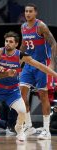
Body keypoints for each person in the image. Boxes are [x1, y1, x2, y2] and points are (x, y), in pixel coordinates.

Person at [19, 3, 57, 140]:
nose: (28, 13)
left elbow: (53, 43)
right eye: (26, 11)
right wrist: (18, 62)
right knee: (21, 93)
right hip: (29, 64)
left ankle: (46, 130)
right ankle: (29, 126)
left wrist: (52, 63)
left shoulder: (41, 26)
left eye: (30, 11)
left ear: (35, 13)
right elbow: (23, 45)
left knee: (43, 95)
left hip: (42, 64)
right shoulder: (23, 27)